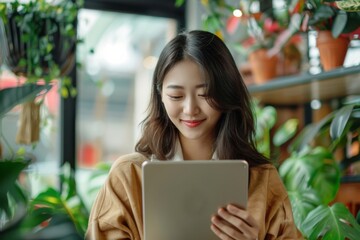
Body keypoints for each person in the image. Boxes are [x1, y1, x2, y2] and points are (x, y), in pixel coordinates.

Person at [86, 30, 303, 240]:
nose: (190, 109)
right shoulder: (127, 177)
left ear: (226, 93)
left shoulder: (261, 180)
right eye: (176, 95)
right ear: (161, 96)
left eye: (205, 94)